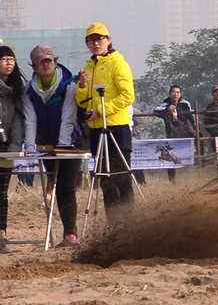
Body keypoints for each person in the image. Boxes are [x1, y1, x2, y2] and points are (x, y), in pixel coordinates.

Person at [22, 45, 83, 246]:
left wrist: (64, 146)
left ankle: (71, 234)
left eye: (49, 60)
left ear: (55, 62)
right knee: (55, 185)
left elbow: (68, 117)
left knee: (66, 186)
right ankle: (65, 235)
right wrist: (30, 145)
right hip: (46, 143)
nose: (46, 64)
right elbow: (30, 120)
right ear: (35, 66)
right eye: (41, 62)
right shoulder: (29, 90)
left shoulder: (68, 85)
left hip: (71, 142)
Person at [75, 22, 136, 214]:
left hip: (116, 128)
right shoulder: (89, 66)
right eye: (91, 40)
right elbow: (83, 102)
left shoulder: (118, 63)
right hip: (96, 130)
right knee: (105, 180)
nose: (95, 43)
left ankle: (130, 225)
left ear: (108, 40)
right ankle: (113, 227)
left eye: (99, 39)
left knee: (121, 178)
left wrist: (102, 110)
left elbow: (128, 96)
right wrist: (82, 86)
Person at [0, 46, 25, 253]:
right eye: (4, 59)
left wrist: (15, 145)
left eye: (12, 59)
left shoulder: (16, 88)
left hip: (6, 148)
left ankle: (1, 235)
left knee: (2, 192)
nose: (9, 62)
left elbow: (18, 119)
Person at [153, 84, 195, 182]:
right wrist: (167, 109)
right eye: (173, 92)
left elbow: (192, 117)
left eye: (177, 92)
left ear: (180, 94)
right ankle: (172, 181)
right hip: (171, 135)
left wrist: (195, 128)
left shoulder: (185, 104)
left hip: (184, 135)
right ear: (170, 94)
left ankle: (190, 178)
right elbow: (156, 110)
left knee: (188, 157)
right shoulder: (165, 104)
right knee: (170, 159)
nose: (175, 94)